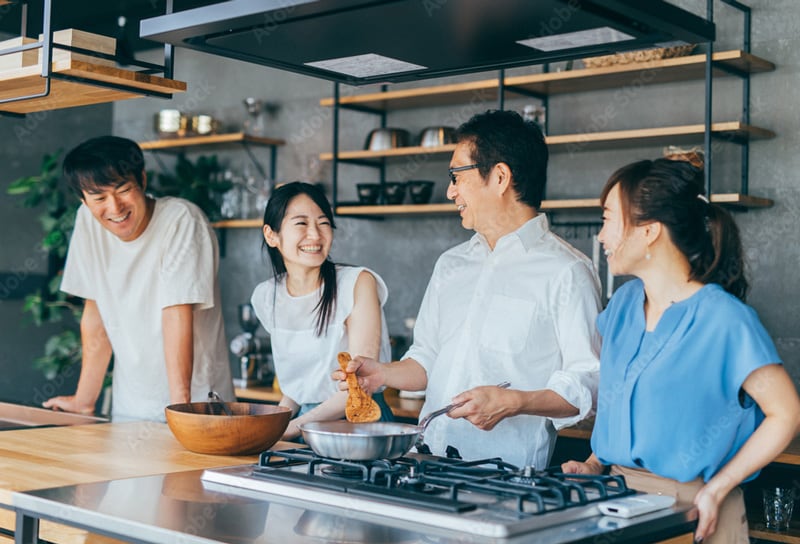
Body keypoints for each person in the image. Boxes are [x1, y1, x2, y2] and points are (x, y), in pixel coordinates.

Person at [335, 109, 601, 468]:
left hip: (503, 477)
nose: (450, 191)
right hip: (425, 462)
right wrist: (382, 373)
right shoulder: (451, 264)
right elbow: (426, 359)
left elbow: (587, 384)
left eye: (457, 176)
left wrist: (515, 402)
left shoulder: (568, 271)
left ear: (500, 177)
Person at [561, 157, 800, 543]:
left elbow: (785, 414)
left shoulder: (725, 318)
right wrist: (594, 463)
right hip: (616, 504)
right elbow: (619, 403)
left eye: (607, 219)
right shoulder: (622, 305)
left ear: (649, 231)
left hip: (694, 512)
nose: (601, 236)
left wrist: (718, 488)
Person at [43, 136, 234, 422]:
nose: (115, 207)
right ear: (84, 200)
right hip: (130, 408)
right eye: (98, 198)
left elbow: (176, 315)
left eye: (123, 190)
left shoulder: (182, 221)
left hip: (196, 410)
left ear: (142, 180)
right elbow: (95, 317)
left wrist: (179, 410)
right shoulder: (87, 222)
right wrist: (84, 400)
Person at [250, 181, 393, 440]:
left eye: (323, 223)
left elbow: (358, 387)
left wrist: (289, 429)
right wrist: (274, 423)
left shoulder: (357, 282)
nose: (315, 235)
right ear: (272, 235)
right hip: (305, 426)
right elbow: (301, 385)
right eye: (301, 223)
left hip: (360, 425)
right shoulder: (266, 296)